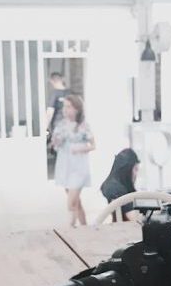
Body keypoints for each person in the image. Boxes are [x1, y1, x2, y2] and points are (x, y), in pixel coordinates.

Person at [52, 94, 94, 228]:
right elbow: (55, 145)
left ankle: (70, 229)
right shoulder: (61, 125)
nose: (65, 109)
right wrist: (55, 141)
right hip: (65, 167)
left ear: (77, 109)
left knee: (71, 203)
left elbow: (93, 145)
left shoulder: (83, 126)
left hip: (79, 168)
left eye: (69, 107)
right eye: (64, 106)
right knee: (76, 203)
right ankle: (85, 227)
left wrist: (79, 148)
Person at [100, 149, 141, 222]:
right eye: (135, 169)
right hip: (126, 229)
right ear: (127, 169)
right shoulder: (117, 190)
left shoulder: (110, 185)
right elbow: (135, 220)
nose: (136, 174)